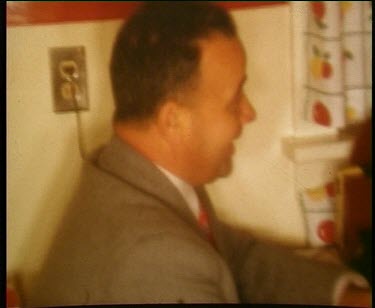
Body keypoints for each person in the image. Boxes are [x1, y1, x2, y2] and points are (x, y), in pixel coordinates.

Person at [27, 2, 371, 306]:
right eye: (234, 98)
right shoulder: (157, 259)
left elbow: (235, 257)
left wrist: (343, 295)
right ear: (174, 120)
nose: (249, 112)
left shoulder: (127, 168)